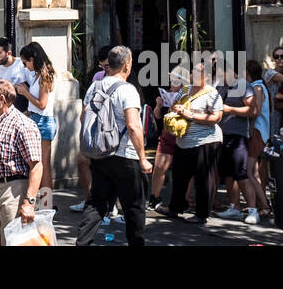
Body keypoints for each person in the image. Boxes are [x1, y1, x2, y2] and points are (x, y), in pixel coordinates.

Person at [76, 46, 152, 246]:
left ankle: (82, 243)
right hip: (126, 156)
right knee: (134, 206)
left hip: (101, 155)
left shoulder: (95, 87)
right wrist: (143, 158)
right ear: (127, 65)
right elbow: (133, 126)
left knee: (96, 202)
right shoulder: (128, 90)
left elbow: (83, 116)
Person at [0, 78, 43, 245]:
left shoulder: (23, 125)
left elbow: (36, 166)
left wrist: (29, 202)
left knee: (11, 241)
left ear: (1, 100)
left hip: (14, 190)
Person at [165, 61, 223, 225]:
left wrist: (190, 115)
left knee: (204, 178)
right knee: (179, 175)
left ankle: (202, 214)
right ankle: (175, 208)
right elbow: (173, 106)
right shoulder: (185, 90)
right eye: (194, 72)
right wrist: (175, 110)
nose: (195, 75)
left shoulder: (212, 94)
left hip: (206, 141)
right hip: (183, 140)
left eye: (200, 73)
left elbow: (216, 118)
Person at [217, 63, 262, 224]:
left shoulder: (243, 86)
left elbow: (252, 110)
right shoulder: (220, 87)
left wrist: (229, 109)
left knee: (242, 173)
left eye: (220, 73)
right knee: (228, 174)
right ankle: (234, 207)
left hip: (238, 136)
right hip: (222, 136)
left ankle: (252, 210)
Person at [72, 46, 111, 213]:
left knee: (109, 167)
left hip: (111, 132)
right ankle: (89, 201)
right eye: (101, 66)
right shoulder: (97, 78)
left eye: (107, 66)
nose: (104, 70)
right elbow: (86, 106)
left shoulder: (125, 80)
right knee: (82, 162)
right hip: (93, 130)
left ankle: (111, 204)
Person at [17, 41, 57, 193]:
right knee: (36, 163)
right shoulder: (37, 75)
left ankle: (47, 205)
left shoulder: (45, 76)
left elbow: (42, 104)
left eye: (25, 62)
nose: (25, 65)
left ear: (32, 59)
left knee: (43, 165)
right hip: (35, 119)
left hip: (44, 122)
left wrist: (25, 93)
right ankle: (42, 202)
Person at [150, 65, 189, 212]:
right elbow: (158, 116)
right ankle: (154, 197)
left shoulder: (188, 96)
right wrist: (159, 106)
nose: (173, 84)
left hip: (182, 136)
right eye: (172, 81)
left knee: (182, 172)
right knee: (159, 167)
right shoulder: (167, 94)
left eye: (177, 81)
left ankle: (182, 200)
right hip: (167, 135)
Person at [242, 59, 270, 218]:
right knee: (254, 170)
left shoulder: (257, 87)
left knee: (249, 170)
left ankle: (264, 205)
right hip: (260, 131)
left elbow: (256, 111)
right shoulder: (259, 86)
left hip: (257, 131)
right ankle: (260, 202)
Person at [0, 36, 30, 113]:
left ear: (9, 53)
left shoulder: (22, 64)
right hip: (3, 113)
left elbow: (31, 89)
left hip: (22, 113)